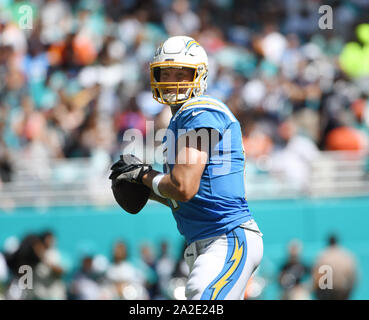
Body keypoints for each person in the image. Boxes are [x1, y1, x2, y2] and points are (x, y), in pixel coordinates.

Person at [110, 36, 263, 300]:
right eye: (166, 74)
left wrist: (145, 175)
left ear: (200, 75)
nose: (173, 80)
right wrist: (146, 187)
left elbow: (183, 187)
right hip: (207, 243)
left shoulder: (199, 109)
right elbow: (189, 199)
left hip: (225, 238)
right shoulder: (181, 120)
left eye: (182, 73)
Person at [312, 234, 358, 300]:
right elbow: (354, 278)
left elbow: (316, 276)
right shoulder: (347, 256)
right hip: (343, 291)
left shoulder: (323, 255)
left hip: (329, 292)